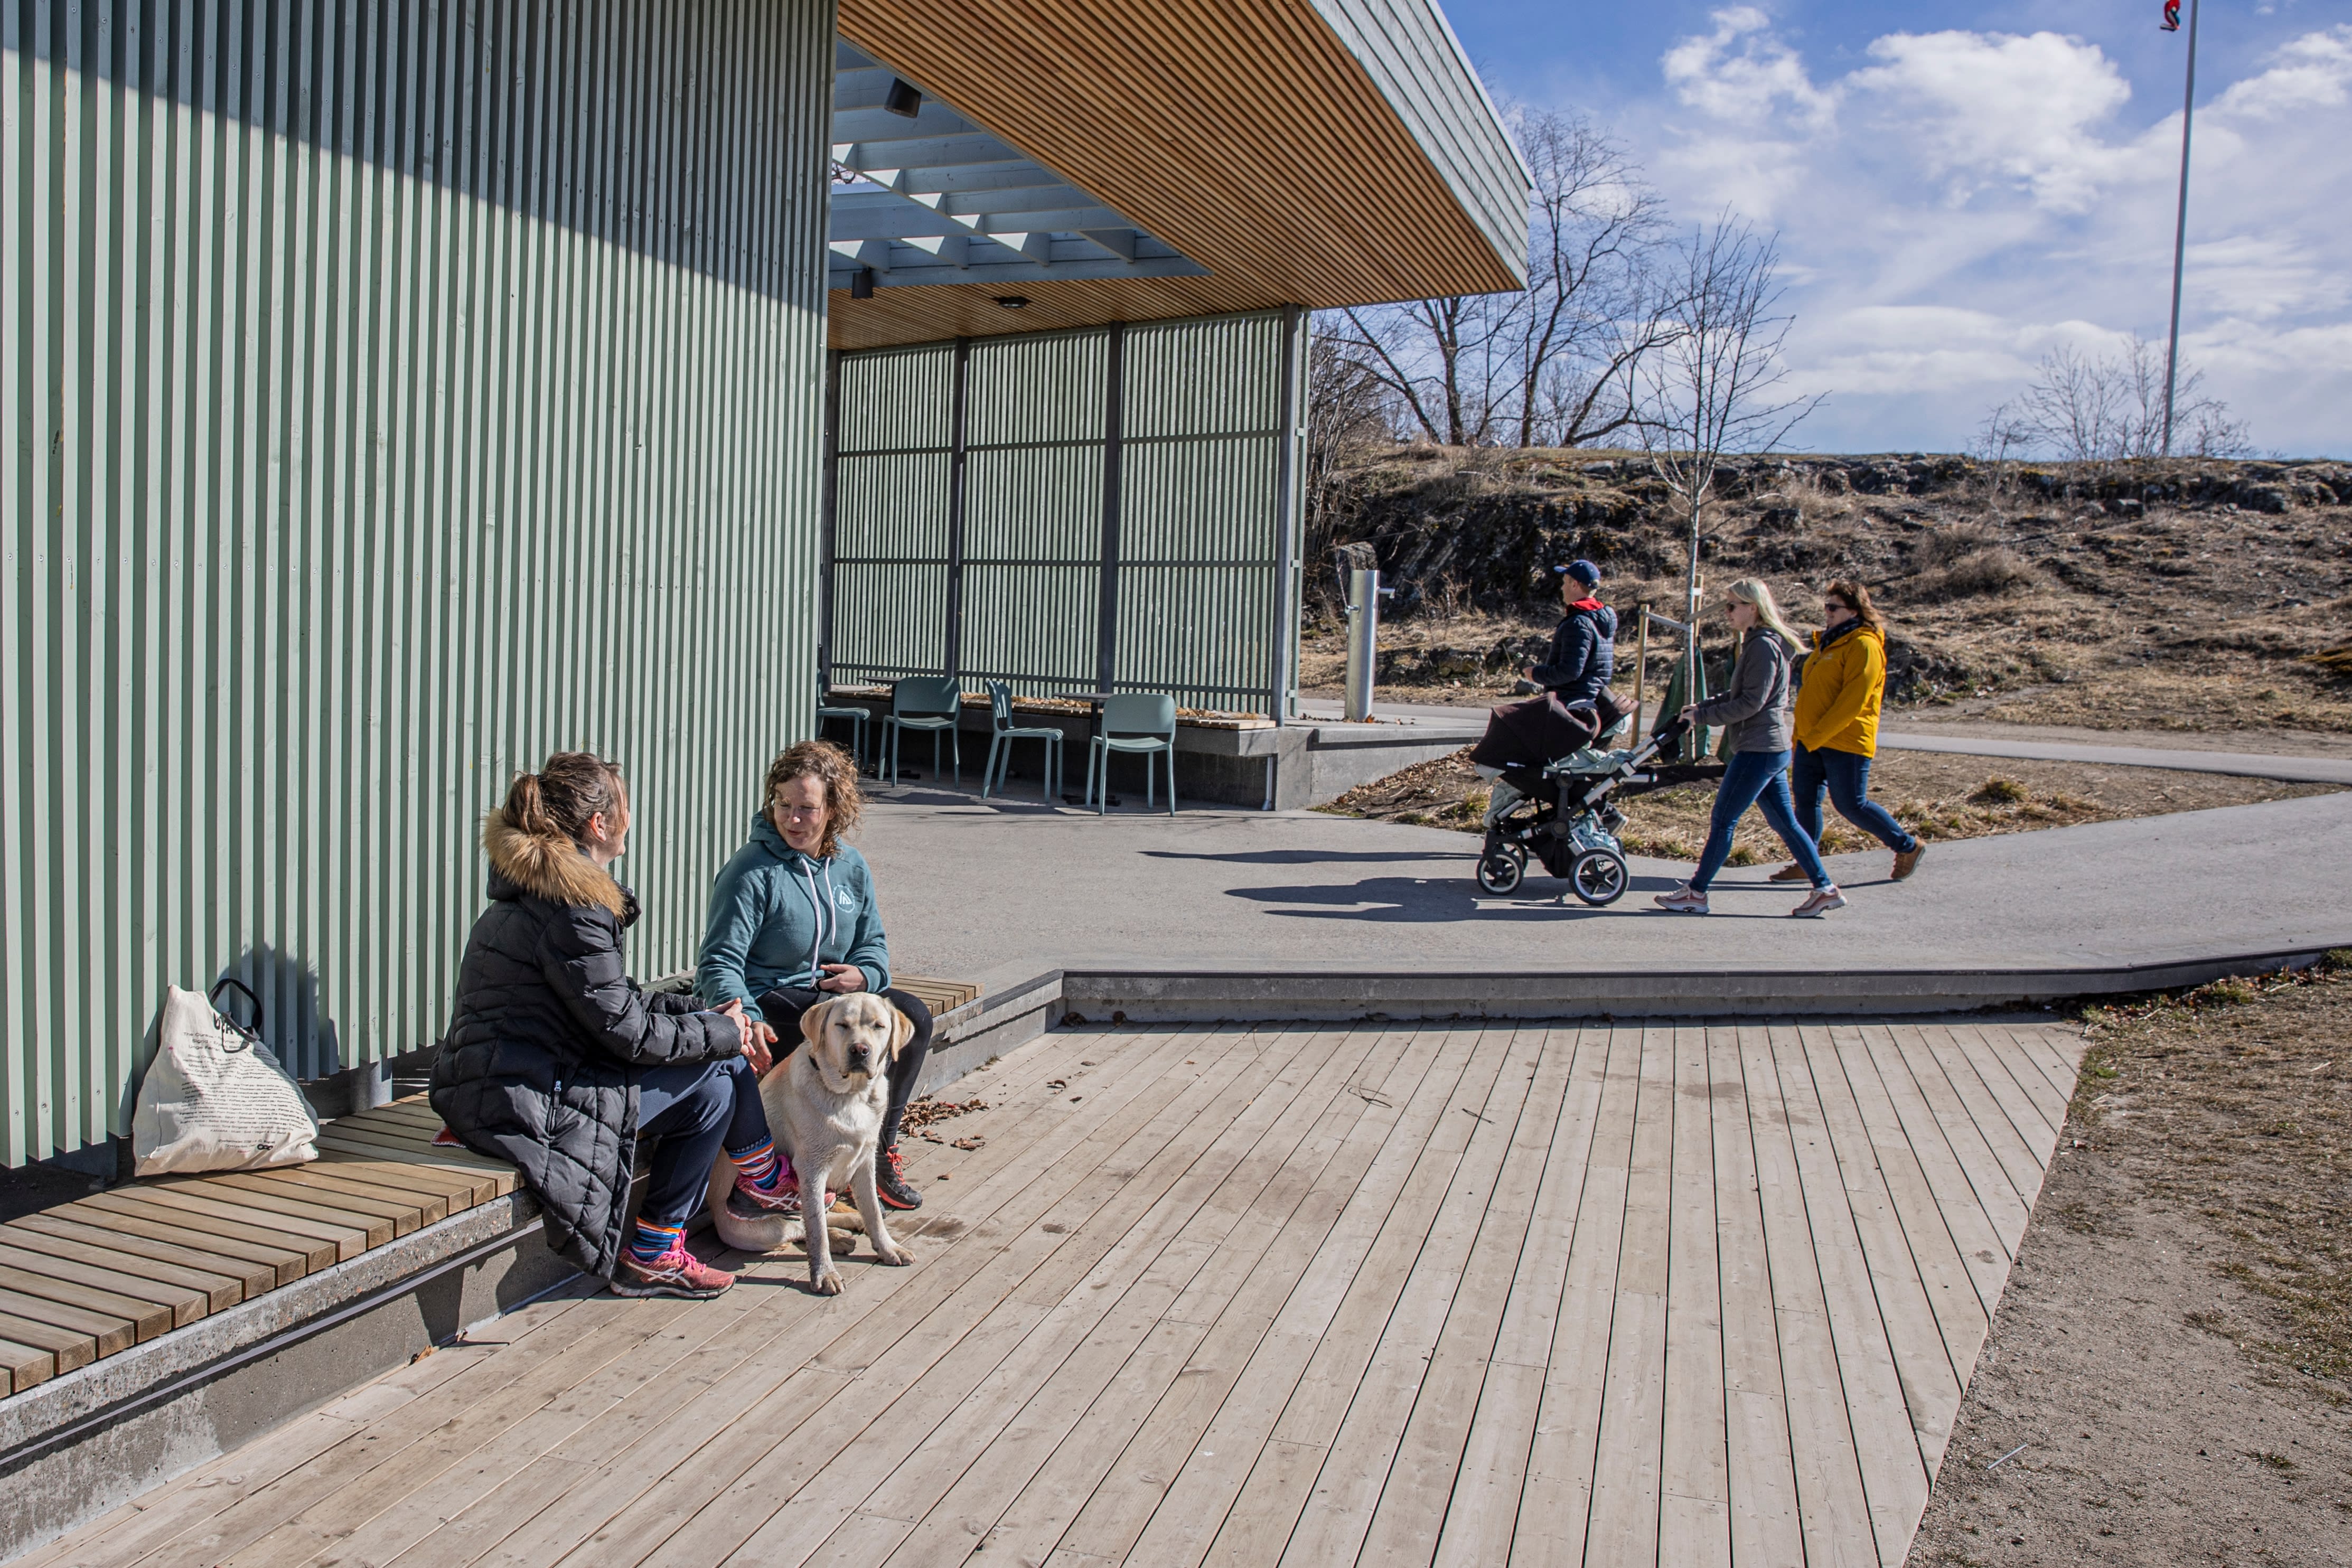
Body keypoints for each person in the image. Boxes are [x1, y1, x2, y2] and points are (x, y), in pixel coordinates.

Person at [432, 753, 800, 1301]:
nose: (630, 815)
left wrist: (704, 1015)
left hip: (511, 1081)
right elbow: (627, 1033)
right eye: (624, 805)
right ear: (599, 824)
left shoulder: (551, 893)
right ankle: (765, 1177)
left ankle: (657, 1249)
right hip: (524, 1099)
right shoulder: (573, 909)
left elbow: (612, 1002)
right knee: (720, 1063)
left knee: (715, 1087)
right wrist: (724, 1033)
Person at [697, 740, 934, 1213]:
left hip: (837, 1000)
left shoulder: (850, 866)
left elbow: (873, 943)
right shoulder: (751, 870)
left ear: (833, 809)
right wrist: (744, 1013)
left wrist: (864, 974)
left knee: (914, 1016)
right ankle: (793, 1169)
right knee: (822, 1027)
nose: (793, 819)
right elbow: (719, 960)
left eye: (807, 808)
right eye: (783, 805)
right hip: (774, 1000)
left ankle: (878, 1150)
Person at [1654, 580, 1847, 918]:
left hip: (1759, 749)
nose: (1727, 613)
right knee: (1786, 823)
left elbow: (1751, 703)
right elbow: (1739, 695)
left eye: (1732, 606)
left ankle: (1697, 893)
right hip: (1766, 747)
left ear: (1752, 607)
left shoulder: (1761, 646)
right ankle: (1825, 889)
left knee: (1724, 819)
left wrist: (1703, 717)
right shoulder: (1758, 643)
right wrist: (1701, 707)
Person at [1772, 580, 1926, 884]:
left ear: (1854, 611)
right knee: (1806, 802)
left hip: (1846, 740)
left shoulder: (1865, 645)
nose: (1826, 612)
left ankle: (1907, 846)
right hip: (1810, 739)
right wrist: (1802, 736)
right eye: (1826, 606)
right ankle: (1806, 861)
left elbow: (1853, 701)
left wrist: (1816, 736)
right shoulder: (1828, 642)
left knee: (1851, 804)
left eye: (1833, 607)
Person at [1522, 558, 1617, 706]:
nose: (1562, 588)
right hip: (1592, 700)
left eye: (1565, 582)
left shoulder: (1578, 623)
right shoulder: (1600, 618)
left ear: (1575, 585)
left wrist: (1536, 674)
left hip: (1572, 702)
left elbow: (1570, 671)